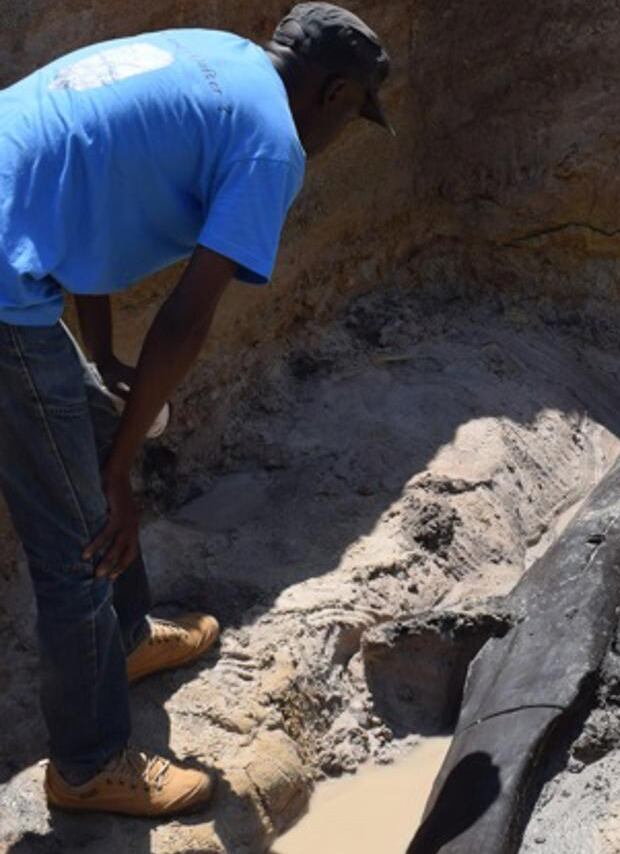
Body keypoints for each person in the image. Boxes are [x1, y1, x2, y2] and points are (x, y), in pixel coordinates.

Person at [0, 2, 391, 817]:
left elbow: (87, 195)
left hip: (14, 217)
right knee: (80, 537)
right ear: (332, 93)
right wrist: (116, 477)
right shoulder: (270, 145)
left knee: (101, 412)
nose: (346, 131)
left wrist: (103, 360)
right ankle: (87, 765)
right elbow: (187, 318)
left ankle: (128, 636)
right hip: (4, 282)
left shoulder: (219, 57)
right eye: (356, 112)